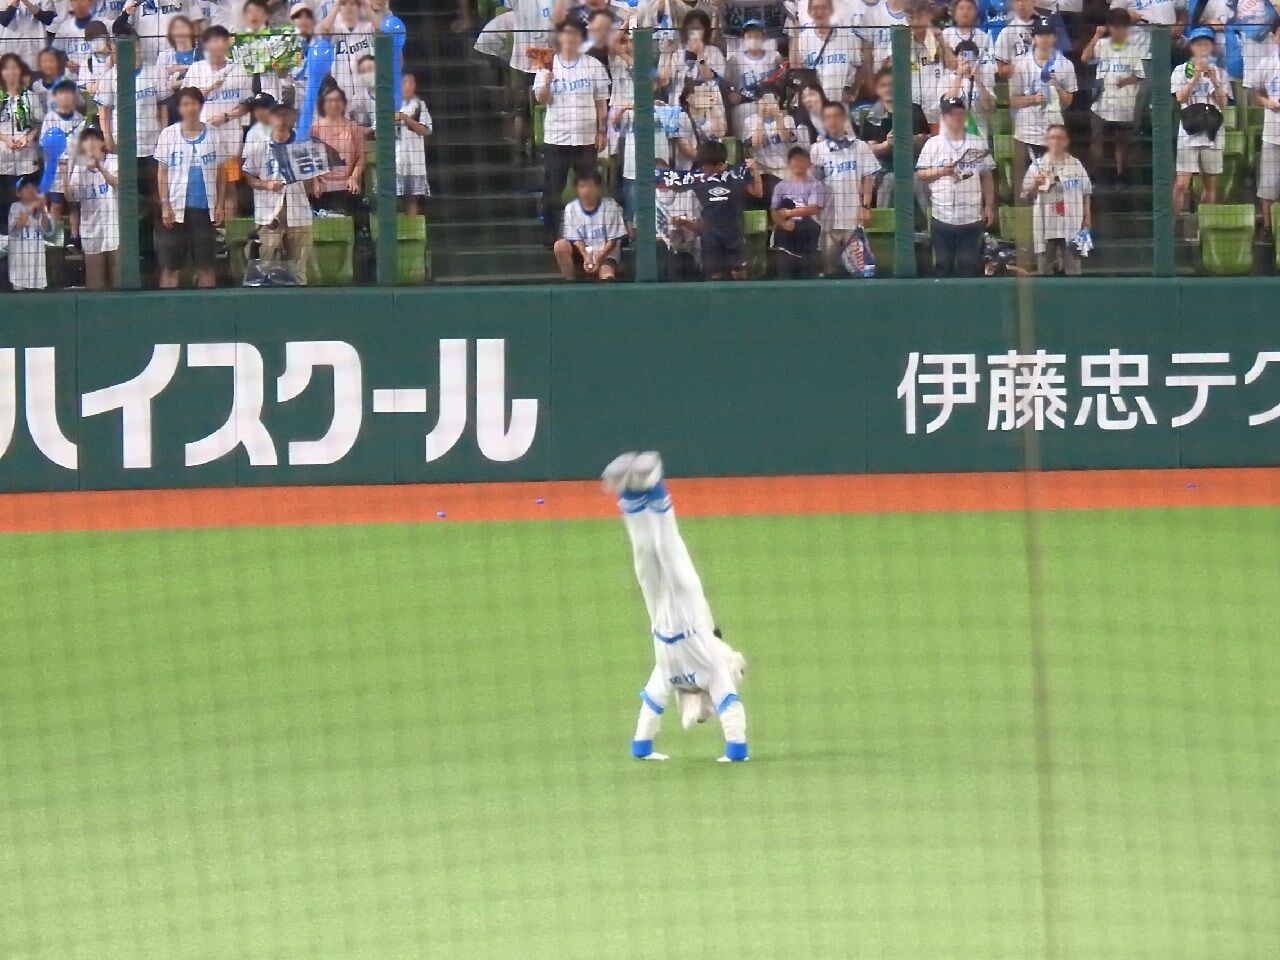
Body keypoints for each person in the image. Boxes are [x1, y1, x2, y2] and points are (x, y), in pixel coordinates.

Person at [600, 450, 749, 764]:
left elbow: (652, 705)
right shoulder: (713, 669)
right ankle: (652, 483)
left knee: (646, 556)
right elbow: (730, 706)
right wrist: (736, 752)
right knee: (667, 552)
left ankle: (630, 494)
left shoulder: (669, 675)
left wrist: (642, 748)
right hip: (688, 613)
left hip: (660, 618)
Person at [534, 20, 610, 242]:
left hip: (586, 139)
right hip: (556, 138)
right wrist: (547, 79)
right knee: (552, 188)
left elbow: (601, 103)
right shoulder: (547, 64)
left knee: (588, 186)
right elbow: (541, 99)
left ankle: (588, 233)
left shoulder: (593, 65)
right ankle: (551, 234)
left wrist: (602, 131)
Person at [916, 95, 996, 276]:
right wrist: (942, 171)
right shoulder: (933, 144)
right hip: (942, 215)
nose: (956, 117)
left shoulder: (977, 141)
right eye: (951, 114)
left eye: (959, 113)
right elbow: (921, 174)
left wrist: (989, 206)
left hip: (972, 216)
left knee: (968, 266)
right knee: (942, 265)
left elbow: (987, 176)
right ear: (944, 117)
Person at [154, 85, 224, 288]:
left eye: (194, 103)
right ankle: (168, 306)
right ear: (179, 108)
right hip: (175, 210)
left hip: (204, 209)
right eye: (185, 103)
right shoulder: (168, 134)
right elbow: (162, 172)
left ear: (200, 106)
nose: (190, 107)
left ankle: (207, 306)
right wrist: (165, 204)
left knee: (206, 265)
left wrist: (220, 205)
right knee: (170, 266)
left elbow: (222, 172)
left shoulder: (214, 134)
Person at [662, 139, 763, 279]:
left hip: (734, 232)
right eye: (703, 165)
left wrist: (755, 171)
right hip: (710, 235)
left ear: (720, 164)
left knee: (740, 276)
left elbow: (758, 193)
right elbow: (672, 184)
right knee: (715, 277)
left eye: (708, 166)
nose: (705, 169)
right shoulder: (697, 177)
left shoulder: (736, 174)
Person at [184, 25, 253, 223]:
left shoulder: (239, 70)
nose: (217, 45)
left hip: (229, 137)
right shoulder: (196, 69)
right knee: (206, 184)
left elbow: (247, 104)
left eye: (221, 40)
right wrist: (209, 88)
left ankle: (229, 231)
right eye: (213, 41)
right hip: (201, 137)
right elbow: (185, 99)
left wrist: (226, 117)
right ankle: (208, 228)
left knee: (230, 185)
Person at [241, 102, 316, 281]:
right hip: (269, 212)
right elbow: (248, 175)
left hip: (299, 211)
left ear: (293, 117)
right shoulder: (260, 145)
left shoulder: (305, 145)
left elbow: (311, 181)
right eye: (277, 114)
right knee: (263, 267)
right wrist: (266, 185)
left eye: (286, 114)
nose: (281, 119)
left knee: (299, 270)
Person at [1009, 16, 1076, 196]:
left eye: (1048, 35)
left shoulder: (1066, 65)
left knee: (1052, 187)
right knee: (1028, 188)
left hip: (1054, 135)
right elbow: (1013, 100)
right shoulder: (1021, 65)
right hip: (1027, 133)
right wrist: (1033, 99)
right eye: (1040, 35)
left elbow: (1068, 101)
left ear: (1054, 37)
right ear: (1033, 37)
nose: (1044, 39)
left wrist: (1057, 87)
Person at [809, 100, 876, 275]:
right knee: (829, 271)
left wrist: (866, 206)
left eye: (836, 116)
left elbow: (869, 177)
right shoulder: (816, 150)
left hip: (853, 219)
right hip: (826, 221)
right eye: (827, 117)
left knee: (861, 273)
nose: (832, 121)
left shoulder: (859, 146)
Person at [1020, 122, 1090, 274]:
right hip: (1046, 224)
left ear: (1066, 141)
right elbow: (1026, 197)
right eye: (1052, 138)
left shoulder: (1076, 165)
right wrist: (1035, 185)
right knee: (1045, 270)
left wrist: (1087, 218)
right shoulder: (1036, 166)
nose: (1056, 141)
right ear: (1047, 141)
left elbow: (1086, 193)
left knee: (1073, 270)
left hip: (1072, 224)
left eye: (1060, 138)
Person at [1173, 25, 1230, 215]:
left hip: (1212, 131)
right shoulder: (1180, 70)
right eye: (1198, 44)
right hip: (1188, 130)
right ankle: (1174, 224)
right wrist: (1195, 76)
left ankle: (1204, 226)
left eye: (1206, 44)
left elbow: (1223, 103)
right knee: (1181, 183)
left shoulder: (1220, 72)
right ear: (1192, 47)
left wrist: (1215, 81)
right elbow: (1180, 97)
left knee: (1211, 183)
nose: (1203, 48)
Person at [1083, 9, 1143, 184]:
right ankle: (1093, 176)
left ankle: (1121, 175)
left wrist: (1126, 81)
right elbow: (1084, 58)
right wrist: (1096, 35)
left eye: (1122, 26)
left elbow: (1139, 76)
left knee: (1121, 141)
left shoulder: (1133, 49)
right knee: (1096, 139)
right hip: (1100, 101)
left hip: (1123, 103)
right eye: (1115, 26)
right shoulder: (1101, 44)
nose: (1118, 30)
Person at [860, 66, 928, 207]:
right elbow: (869, 149)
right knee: (888, 181)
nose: (888, 89)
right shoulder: (872, 115)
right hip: (886, 169)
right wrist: (887, 144)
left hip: (915, 166)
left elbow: (924, 142)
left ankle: (929, 220)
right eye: (883, 86)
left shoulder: (914, 109)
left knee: (921, 182)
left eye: (892, 85)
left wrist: (908, 140)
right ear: (877, 89)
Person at [67, 126, 119, 289]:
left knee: (119, 283)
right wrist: (65, 174)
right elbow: (71, 197)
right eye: (86, 140)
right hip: (92, 233)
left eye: (93, 139)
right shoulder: (79, 168)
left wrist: (99, 166)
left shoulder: (114, 160)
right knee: (95, 285)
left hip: (115, 233)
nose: (89, 143)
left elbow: (117, 183)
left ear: (102, 142)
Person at [554, 169, 627, 280]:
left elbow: (612, 241)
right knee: (560, 245)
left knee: (606, 275)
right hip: (581, 253)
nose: (586, 190)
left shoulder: (611, 207)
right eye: (582, 186)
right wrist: (586, 256)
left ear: (598, 188)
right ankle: (570, 282)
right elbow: (575, 239)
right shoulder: (571, 208)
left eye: (590, 186)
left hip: (605, 253)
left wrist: (599, 257)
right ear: (577, 189)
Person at [789, 0, 860, 105]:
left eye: (824, 7)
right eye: (816, 8)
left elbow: (859, 66)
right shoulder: (804, 37)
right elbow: (795, 67)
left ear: (831, 10)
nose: (820, 12)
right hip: (812, 104)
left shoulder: (847, 37)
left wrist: (852, 90)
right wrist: (796, 36)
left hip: (838, 104)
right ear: (810, 12)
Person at [769, 144, 823, 277]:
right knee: (785, 276)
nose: (798, 163)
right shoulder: (780, 186)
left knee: (807, 277)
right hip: (785, 234)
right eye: (795, 159)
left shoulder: (816, 185)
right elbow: (774, 212)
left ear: (808, 163)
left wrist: (789, 213)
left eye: (802, 160)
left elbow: (813, 208)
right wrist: (784, 224)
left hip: (807, 233)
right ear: (789, 163)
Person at [311, 84, 365, 213]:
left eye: (337, 100)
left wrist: (354, 177)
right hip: (322, 184)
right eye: (330, 100)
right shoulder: (314, 128)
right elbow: (310, 157)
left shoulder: (354, 128)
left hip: (347, 183)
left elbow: (361, 157)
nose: (334, 104)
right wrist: (314, 181)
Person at [725, 17, 782, 135]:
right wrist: (730, 94)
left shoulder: (775, 56)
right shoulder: (735, 59)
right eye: (749, 36)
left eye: (757, 35)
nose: (753, 39)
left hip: (769, 105)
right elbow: (724, 85)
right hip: (745, 107)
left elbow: (783, 82)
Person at [0, 52, 39, 216]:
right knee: (4, 203)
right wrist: (5, 138)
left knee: (26, 203)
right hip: (3, 157)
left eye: (14, 68)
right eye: (6, 68)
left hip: (27, 157)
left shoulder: (31, 97)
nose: (11, 72)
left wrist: (27, 138)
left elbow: (38, 124)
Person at [656, 8, 724, 102]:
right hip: (678, 106)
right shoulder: (676, 52)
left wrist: (700, 54)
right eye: (690, 27)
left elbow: (713, 79)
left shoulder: (714, 52)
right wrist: (670, 55)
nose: (693, 32)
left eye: (698, 28)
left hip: (706, 105)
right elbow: (663, 81)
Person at [41, 78, 85, 221]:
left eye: (69, 93)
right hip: (56, 170)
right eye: (62, 93)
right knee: (57, 204)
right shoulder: (50, 118)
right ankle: (54, 233)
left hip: (75, 168)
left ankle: (74, 233)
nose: (66, 96)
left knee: (74, 205)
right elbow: (44, 144)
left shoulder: (80, 118)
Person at [1252, 21, 1280, 230]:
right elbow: (1256, 93)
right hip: (1272, 133)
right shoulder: (1266, 63)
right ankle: (1269, 228)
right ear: (1275, 36)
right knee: (1268, 186)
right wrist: (1268, 103)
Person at [654, 157, 701, 280]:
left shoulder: (687, 193)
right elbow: (638, 232)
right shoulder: (647, 197)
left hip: (689, 250)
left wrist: (684, 223)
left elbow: (701, 228)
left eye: (664, 174)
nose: (661, 179)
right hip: (663, 251)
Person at [318, 0, 376, 98]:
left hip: (365, 88)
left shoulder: (366, 25)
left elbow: (379, 28)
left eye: (352, 4)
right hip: (341, 89)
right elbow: (326, 29)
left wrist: (366, 5)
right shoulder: (336, 28)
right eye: (344, 4)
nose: (348, 7)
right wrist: (337, 5)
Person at [395, 71, 432, 217]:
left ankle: (411, 227)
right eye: (404, 82)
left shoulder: (419, 106)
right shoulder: (389, 104)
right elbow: (376, 129)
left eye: (411, 82)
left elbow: (426, 130)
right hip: (394, 158)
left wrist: (406, 119)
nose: (407, 86)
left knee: (410, 198)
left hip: (413, 160)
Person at [7, 173, 52, 289]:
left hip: (37, 259)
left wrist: (43, 210)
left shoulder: (42, 207)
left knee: (39, 292)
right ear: (18, 193)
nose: (31, 190)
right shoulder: (15, 207)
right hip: (19, 261)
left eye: (33, 187)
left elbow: (48, 230)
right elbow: (16, 229)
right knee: (19, 293)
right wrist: (32, 206)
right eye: (27, 187)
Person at [0, 0, 56, 70]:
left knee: (36, 72)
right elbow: (4, 21)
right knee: (12, 72)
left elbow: (47, 20)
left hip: (36, 44)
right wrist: (15, 3)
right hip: (12, 45)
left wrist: (27, 3)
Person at [992, 0, 1036, 79]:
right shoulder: (1006, 32)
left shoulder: (1048, 26)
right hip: (1020, 85)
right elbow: (1001, 71)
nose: (1020, 4)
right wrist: (1023, 67)